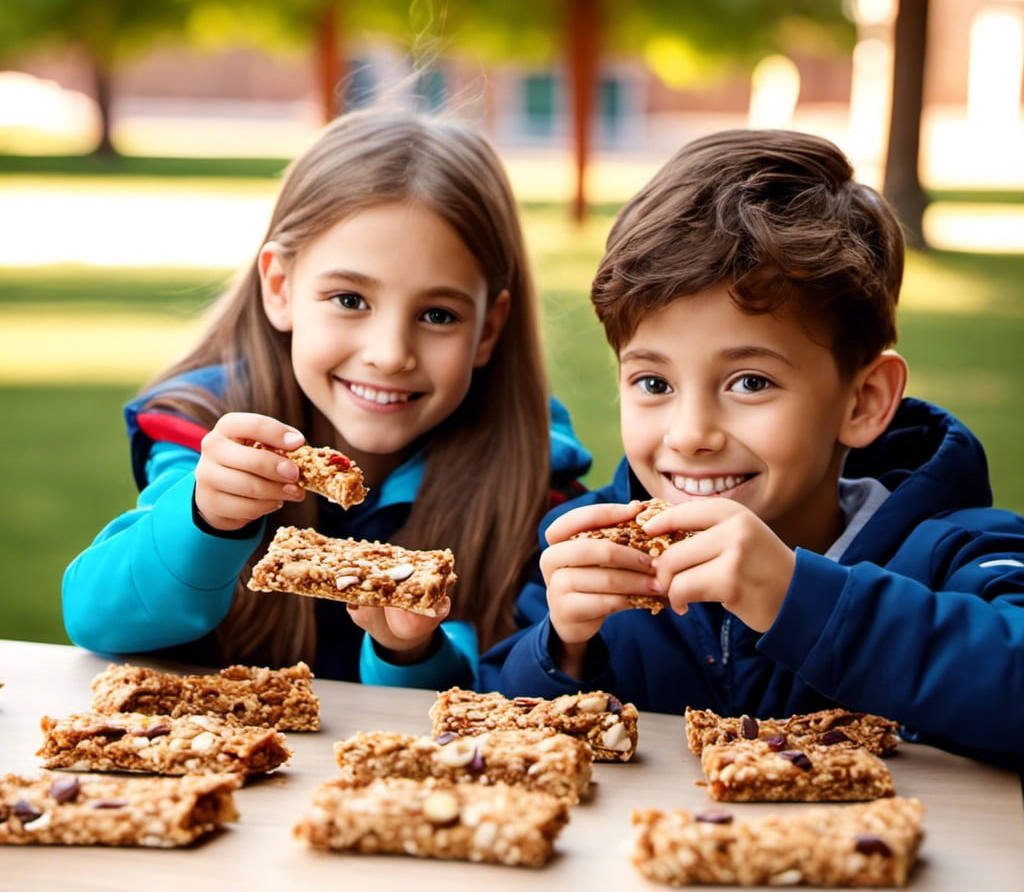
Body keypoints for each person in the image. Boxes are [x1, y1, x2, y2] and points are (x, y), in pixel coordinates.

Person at [481, 128, 1024, 769]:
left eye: (750, 382)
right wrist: (560, 649)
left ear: (864, 401)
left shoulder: (953, 551)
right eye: (654, 383)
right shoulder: (592, 557)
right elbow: (495, 727)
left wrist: (799, 597)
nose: (690, 434)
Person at [63, 107, 591, 687]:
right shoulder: (212, 436)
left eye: (438, 315)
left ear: (488, 329)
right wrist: (204, 517)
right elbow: (96, 621)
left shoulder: (536, 486)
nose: (390, 353)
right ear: (281, 287)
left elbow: (500, 701)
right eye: (349, 300)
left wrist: (410, 653)